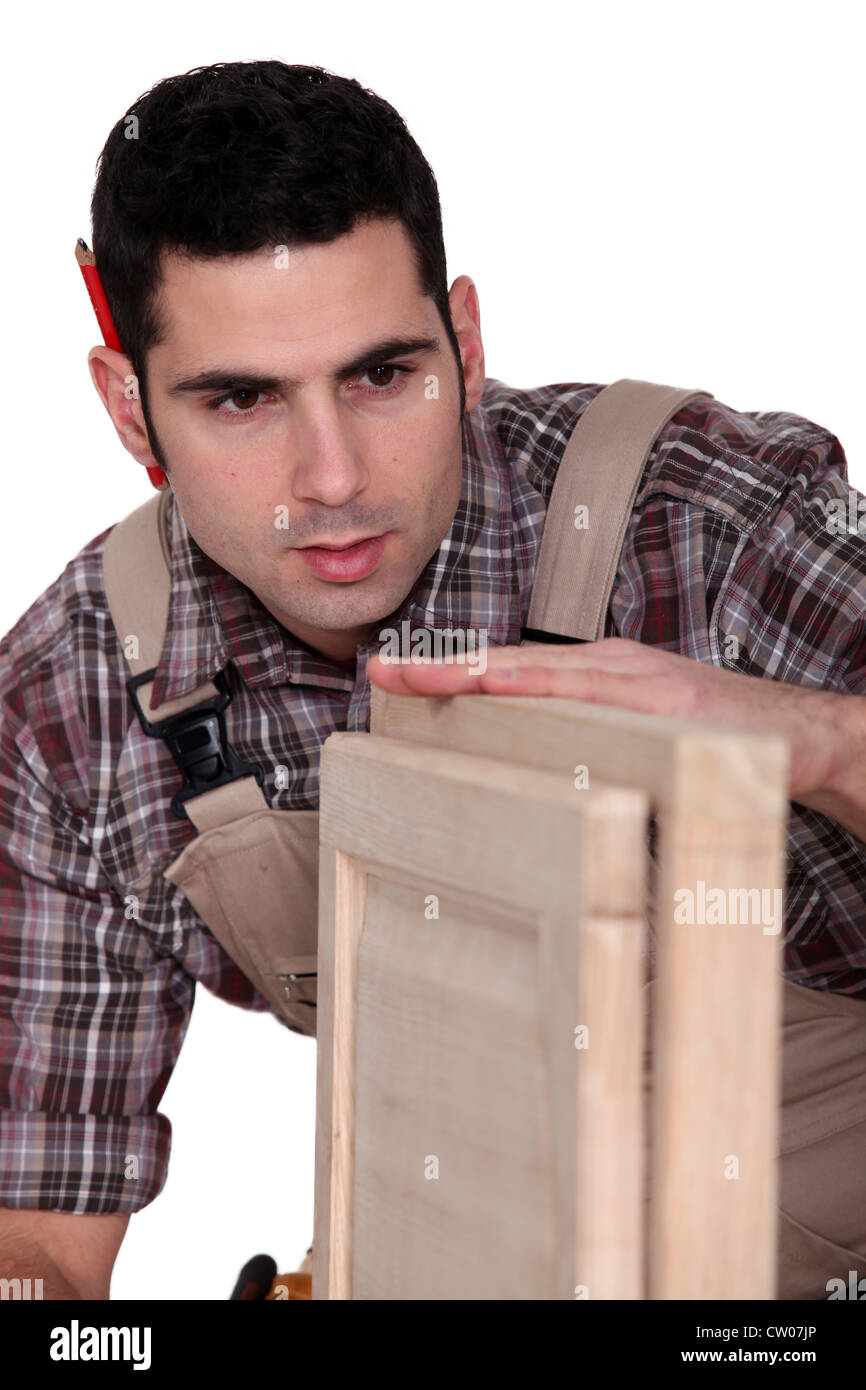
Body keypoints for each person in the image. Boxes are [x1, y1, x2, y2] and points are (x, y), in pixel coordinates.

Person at [1, 58, 864, 1302]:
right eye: (240, 398)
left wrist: (817, 738)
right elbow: (41, 1234)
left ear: (462, 339)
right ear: (130, 412)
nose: (336, 474)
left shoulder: (711, 524)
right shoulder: (70, 707)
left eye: (381, 374)